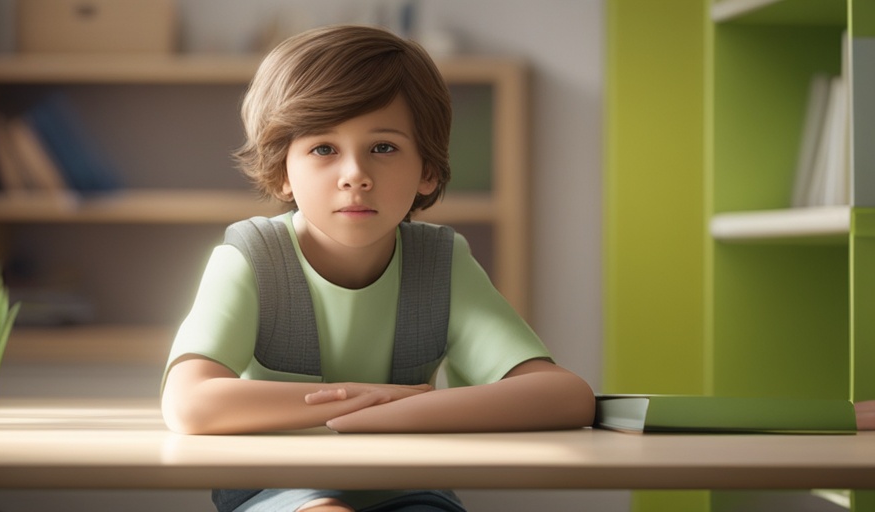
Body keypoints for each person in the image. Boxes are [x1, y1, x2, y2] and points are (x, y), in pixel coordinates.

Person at [160, 24, 596, 512]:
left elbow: (564, 396)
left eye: (383, 148)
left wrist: (389, 409)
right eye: (323, 149)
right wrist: (365, 397)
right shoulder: (250, 257)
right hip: (276, 487)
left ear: (427, 170)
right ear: (283, 171)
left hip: (408, 487)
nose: (355, 176)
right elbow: (190, 403)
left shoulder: (442, 263)